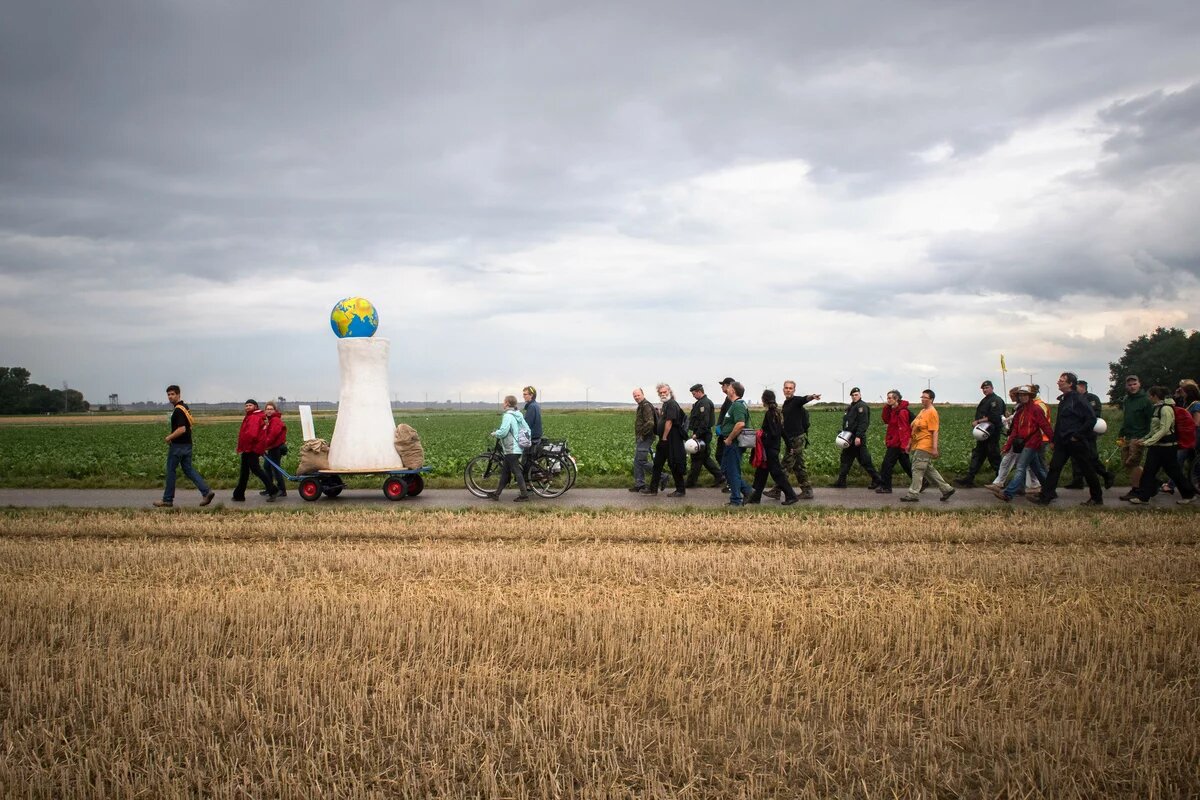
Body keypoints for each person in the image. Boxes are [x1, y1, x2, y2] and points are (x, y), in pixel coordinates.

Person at [1032, 372, 1103, 506]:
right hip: (1063, 442)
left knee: (1087, 469)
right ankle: (1045, 497)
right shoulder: (1064, 400)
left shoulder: (1079, 400)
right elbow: (1060, 422)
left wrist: (1078, 435)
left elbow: (1091, 419)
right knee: (1054, 468)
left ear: (1070, 384)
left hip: (1076, 442)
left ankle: (1097, 498)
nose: (1058, 382)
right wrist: (1054, 440)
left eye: (1062, 380)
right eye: (1059, 380)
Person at [1128, 385, 1196, 505]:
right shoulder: (1157, 408)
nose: (1149, 398)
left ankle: (1189, 494)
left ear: (1155, 396)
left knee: (1174, 472)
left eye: (1150, 396)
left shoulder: (1166, 409)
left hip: (1167, 447)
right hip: (1157, 447)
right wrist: (1144, 439)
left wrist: (1148, 442)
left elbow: (1164, 429)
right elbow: (1154, 429)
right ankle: (1144, 497)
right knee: (1148, 471)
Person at [986, 386, 1053, 502]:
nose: (1022, 397)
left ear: (1030, 396)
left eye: (1025, 395)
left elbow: (1045, 426)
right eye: (1020, 395)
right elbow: (1015, 430)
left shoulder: (1036, 410)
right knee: (1037, 469)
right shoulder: (1020, 411)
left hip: (1032, 443)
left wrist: (1053, 440)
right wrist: (1008, 445)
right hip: (1022, 443)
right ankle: (1050, 489)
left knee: (1020, 467)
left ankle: (1008, 493)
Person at [154, 384, 216, 508]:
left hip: (178, 446)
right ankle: (206, 492)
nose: (170, 397)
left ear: (178, 395)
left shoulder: (178, 410)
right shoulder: (185, 407)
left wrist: (169, 437)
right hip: (188, 445)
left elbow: (182, 429)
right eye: (168, 395)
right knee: (188, 470)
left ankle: (167, 499)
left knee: (171, 471)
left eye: (172, 394)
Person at [766, 381, 819, 500]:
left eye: (791, 388)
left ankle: (777, 490)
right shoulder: (786, 403)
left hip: (796, 438)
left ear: (794, 390)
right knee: (798, 466)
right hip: (791, 438)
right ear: (783, 389)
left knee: (785, 465)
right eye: (786, 388)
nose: (788, 390)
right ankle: (807, 491)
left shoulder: (796, 401)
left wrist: (812, 397)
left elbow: (804, 399)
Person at [746, 390, 799, 505]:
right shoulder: (777, 412)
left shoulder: (770, 413)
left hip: (769, 450)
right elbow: (782, 431)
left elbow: (774, 433)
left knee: (777, 474)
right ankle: (755, 497)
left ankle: (791, 496)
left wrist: (762, 435)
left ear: (764, 400)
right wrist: (789, 445)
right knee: (761, 473)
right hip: (773, 449)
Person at [902, 389, 955, 502]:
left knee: (917, 468)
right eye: (922, 397)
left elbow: (934, 431)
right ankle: (946, 489)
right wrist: (909, 444)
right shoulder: (922, 411)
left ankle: (913, 493)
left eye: (925, 397)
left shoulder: (932, 412)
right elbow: (915, 428)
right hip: (917, 443)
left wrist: (934, 448)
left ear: (931, 399)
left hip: (925, 445)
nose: (922, 399)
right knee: (928, 469)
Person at [1066, 379, 1116, 490]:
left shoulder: (1092, 398)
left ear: (1083, 387)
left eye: (1077, 386)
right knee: (1075, 457)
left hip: (1088, 432)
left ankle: (1106, 475)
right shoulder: (1073, 399)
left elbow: (1095, 414)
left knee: (1091, 456)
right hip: (1076, 431)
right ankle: (1077, 480)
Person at [956, 380, 1006, 487]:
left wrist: (979, 421)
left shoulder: (995, 400)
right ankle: (969, 479)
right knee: (977, 455)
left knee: (994, 456)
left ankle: (1000, 480)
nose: (985, 390)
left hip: (991, 434)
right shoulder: (986, 400)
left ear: (992, 388)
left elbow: (995, 417)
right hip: (982, 434)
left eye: (987, 388)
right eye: (983, 388)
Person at [831, 387, 882, 488]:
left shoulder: (861, 406)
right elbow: (848, 422)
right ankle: (841, 482)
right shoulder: (851, 407)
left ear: (860, 395)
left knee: (865, 460)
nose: (854, 397)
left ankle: (877, 479)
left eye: (856, 395)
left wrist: (858, 436)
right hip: (848, 438)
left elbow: (863, 423)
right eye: (853, 395)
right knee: (845, 459)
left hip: (857, 438)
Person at [645, 383, 688, 496]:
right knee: (657, 464)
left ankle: (680, 490)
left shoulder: (672, 404)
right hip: (664, 440)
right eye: (661, 393)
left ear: (670, 391)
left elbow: (669, 422)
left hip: (671, 440)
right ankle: (653, 489)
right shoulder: (665, 404)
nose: (663, 394)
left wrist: (664, 438)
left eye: (665, 392)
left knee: (674, 464)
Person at [488, 394, 531, 502]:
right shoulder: (518, 414)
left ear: (507, 403)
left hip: (512, 448)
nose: (503, 403)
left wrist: (495, 433)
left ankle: (524, 495)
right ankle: (497, 494)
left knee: (516, 471)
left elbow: (503, 432)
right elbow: (527, 428)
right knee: (505, 471)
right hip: (517, 447)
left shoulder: (507, 416)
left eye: (504, 401)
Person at [232, 399, 276, 502]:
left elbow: (251, 434)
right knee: (244, 472)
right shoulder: (251, 416)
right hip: (248, 448)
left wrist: (245, 447)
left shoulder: (254, 417)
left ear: (255, 407)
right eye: (246, 405)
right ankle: (239, 494)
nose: (247, 407)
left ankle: (273, 490)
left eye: (250, 405)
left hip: (251, 448)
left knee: (256, 470)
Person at [1117, 375, 1153, 501]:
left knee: (1133, 462)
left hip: (1138, 436)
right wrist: (1121, 434)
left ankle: (1136, 489)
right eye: (1130, 384)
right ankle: (1151, 483)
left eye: (1134, 384)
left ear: (1139, 384)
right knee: (1126, 463)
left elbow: (1151, 420)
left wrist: (1146, 437)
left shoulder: (1146, 400)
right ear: (1126, 386)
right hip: (1127, 435)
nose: (1132, 387)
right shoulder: (1127, 399)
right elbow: (1126, 418)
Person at [720, 381, 754, 506]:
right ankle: (747, 491)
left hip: (733, 443)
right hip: (731, 443)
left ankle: (736, 500)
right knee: (725, 469)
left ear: (733, 391)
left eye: (728, 387)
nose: (726, 389)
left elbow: (740, 424)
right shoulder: (736, 404)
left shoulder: (738, 405)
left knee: (732, 471)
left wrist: (729, 439)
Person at [684, 383, 724, 488]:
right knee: (704, 458)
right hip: (701, 433)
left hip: (702, 434)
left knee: (697, 458)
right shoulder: (701, 402)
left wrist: (697, 434)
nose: (693, 396)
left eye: (694, 394)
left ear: (699, 391)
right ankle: (719, 475)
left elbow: (704, 422)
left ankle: (690, 482)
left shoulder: (704, 404)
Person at [877, 389, 913, 494]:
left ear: (896, 398)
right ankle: (923, 481)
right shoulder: (893, 410)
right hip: (895, 441)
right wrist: (887, 407)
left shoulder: (903, 412)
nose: (887, 400)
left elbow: (904, 429)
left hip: (898, 443)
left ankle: (886, 487)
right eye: (887, 398)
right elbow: (886, 420)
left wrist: (904, 444)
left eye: (889, 398)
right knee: (906, 465)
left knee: (886, 464)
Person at [259, 401, 288, 499]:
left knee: (276, 468)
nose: (269, 411)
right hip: (273, 447)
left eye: (271, 409)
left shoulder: (275, 420)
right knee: (267, 466)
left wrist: (263, 445)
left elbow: (272, 436)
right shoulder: (271, 420)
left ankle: (281, 490)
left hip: (276, 448)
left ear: (275, 410)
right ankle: (270, 487)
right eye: (267, 409)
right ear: (265, 411)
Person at [629, 388, 656, 492]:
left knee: (641, 461)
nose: (636, 397)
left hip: (646, 438)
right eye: (634, 396)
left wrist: (642, 434)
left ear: (643, 394)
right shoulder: (641, 406)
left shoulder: (646, 406)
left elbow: (650, 423)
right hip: (643, 438)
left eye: (638, 395)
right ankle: (640, 484)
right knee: (637, 461)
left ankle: (663, 476)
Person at [713, 377, 735, 471]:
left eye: (723, 385)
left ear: (729, 386)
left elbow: (730, 417)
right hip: (723, 433)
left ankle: (730, 479)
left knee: (723, 456)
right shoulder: (727, 399)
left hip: (727, 434)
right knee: (720, 455)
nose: (722, 387)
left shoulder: (732, 400)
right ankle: (728, 478)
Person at [521, 386, 543, 476]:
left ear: (531, 395)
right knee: (531, 461)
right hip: (536, 436)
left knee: (526, 461)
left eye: (525, 394)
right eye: (523, 394)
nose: (523, 396)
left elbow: (527, 424)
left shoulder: (531, 407)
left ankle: (527, 483)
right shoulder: (535, 405)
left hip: (532, 437)